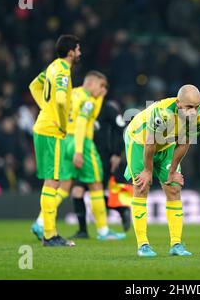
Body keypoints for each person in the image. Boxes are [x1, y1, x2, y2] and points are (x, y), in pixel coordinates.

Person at [31, 71, 125, 241]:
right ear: (90, 83)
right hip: (81, 142)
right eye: (101, 86)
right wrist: (79, 151)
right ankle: (103, 231)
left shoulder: (71, 93)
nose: (103, 90)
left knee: (63, 186)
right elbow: (82, 124)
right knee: (96, 184)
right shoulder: (88, 100)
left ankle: (40, 221)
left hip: (64, 140)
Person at [124, 85, 200, 257]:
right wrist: (148, 170)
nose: (194, 111)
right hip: (139, 142)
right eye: (189, 107)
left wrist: (173, 170)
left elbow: (184, 143)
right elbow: (150, 143)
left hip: (166, 145)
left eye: (197, 106)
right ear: (178, 103)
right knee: (141, 187)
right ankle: (143, 245)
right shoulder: (161, 113)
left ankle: (176, 244)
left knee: (174, 187)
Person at [29, 34, 80, 247]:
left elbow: (34, 86)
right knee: (53, 181)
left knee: (50, 181)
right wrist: (61, 122)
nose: (79, 53)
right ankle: (49, 235)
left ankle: (49, 233)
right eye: (77, 49)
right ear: (70, 52)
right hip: (51, 130)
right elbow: (59, 100)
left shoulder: (51, 67)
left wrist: (44, 107)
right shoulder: (63, 71)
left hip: (43, 126)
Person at [69, 98, 129, 239]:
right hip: (83, 155)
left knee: (95, 191)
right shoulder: (82, 106)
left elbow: (120, 129)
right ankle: (83, 231)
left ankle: (120, 209)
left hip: (102, 158)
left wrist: (116, 153)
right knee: (77, 191)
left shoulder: (107, 108)